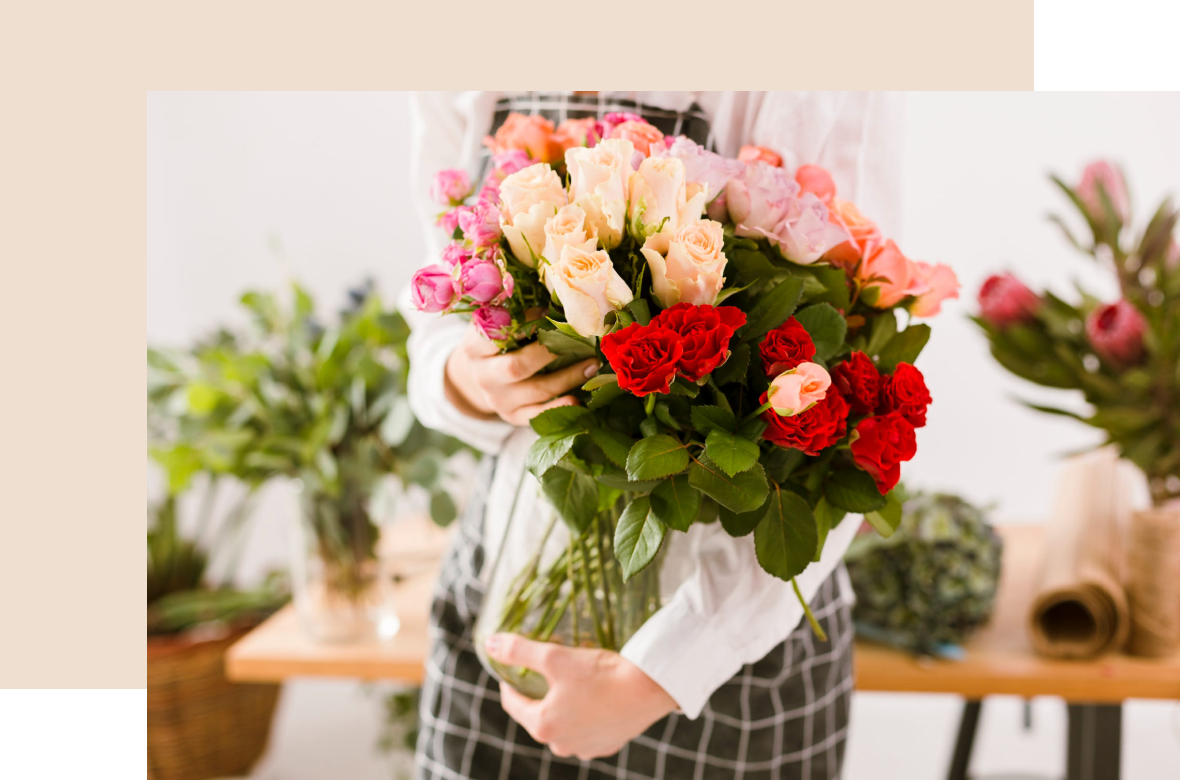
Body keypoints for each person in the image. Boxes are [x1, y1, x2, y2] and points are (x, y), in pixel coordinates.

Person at [401, 90, 905, 780]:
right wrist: (467, 380)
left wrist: (660, 672)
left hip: (720, 667)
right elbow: (436, 316)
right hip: (504, 601)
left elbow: (848, 393)